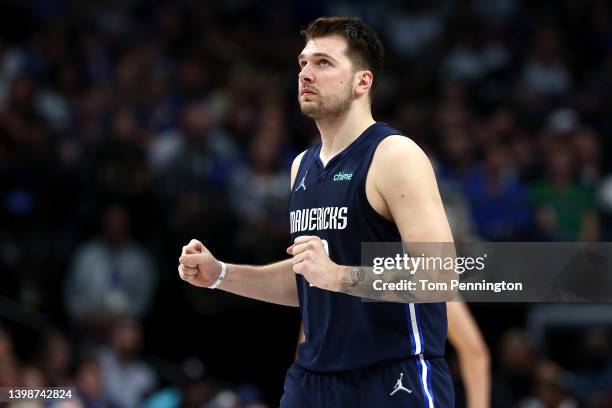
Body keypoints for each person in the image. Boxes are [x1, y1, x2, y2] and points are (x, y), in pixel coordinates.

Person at [178, 16, 455, 406]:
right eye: (303, 63)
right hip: (314, 380)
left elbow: (441, 276)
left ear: (363, 81)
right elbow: (310, 283)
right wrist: (222, 274)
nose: (306, 73)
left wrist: (339, 275)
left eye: (323, 63)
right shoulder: (301, 167)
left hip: (392, 375)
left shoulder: (394, 155)